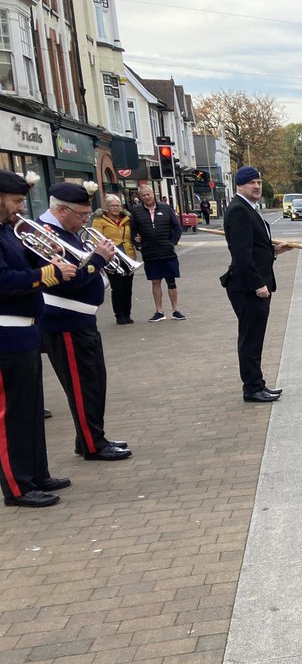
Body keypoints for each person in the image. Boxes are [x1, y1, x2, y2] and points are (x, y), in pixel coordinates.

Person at [0, 170, 76, 507]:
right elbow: (4, 281)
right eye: (15, 201)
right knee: (10, 414)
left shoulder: (7, 231)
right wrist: (47, 274)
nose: (19, 208)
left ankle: (37, 473)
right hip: (5, 332)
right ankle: (18, 486)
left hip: (26, 330)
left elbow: (24, 263)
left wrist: (50, 257)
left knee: (30, 410)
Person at [38, 183, 130, 461]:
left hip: (81, 320)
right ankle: (92, 444)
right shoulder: (47, 236)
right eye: (81, 214)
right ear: (60, 210)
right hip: (64, 321)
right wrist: (98, 259)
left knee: (94, 381)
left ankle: (90, 437)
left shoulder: (68, 232)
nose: (85, 220)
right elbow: (68, 282)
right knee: (82, 385)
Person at [220, 166, 292, 403]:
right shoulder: (239, 210)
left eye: (259, 182)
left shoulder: (248, 209)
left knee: (255, 338)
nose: (257, 186)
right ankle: (252, 387)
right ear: (240, 185)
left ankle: (257, 383)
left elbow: (255, 248)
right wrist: (258, 284)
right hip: (248, 287)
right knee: (250, 339)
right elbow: (242, 254)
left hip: (256, 283)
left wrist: (275, 250)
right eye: (251, 183)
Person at [128, 184, 184, 321]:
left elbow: (177, 227)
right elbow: (132, 231)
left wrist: (172, 243)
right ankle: (159, 311)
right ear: (140, 197)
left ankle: (176, 310)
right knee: (155, 282)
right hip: (150, 252)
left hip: (167, 251)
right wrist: (138, 245)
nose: (147, 197)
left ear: (153, 194)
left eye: (148, 194)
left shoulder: (165, 208)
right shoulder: (136, 211)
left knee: (171, 282)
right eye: (143, 195)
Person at [91, 194, 137, 325]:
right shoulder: (100, 220)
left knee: (128, 287)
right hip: (112, 257)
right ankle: (119, 315)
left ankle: (127, 314)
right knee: (117, 287)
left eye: (118, 205)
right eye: (113, 206)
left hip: (128, 255)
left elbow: (133, 235)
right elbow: (96, 238)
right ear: (107, 207)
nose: (116, 208)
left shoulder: (127, 219)